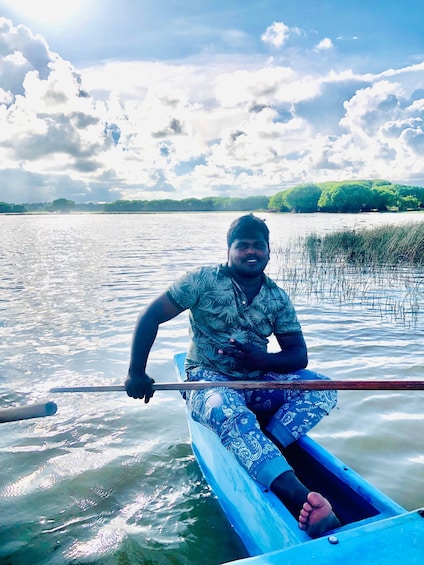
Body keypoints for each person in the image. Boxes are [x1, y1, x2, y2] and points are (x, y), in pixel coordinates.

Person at [125, 213, 340, 538]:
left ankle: (267, 445)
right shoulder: (201, 281)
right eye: (243, 245)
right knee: (228, 409)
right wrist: (136, 372)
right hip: (207, 380)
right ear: (229, 249)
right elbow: (150, 317)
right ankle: (301, 501)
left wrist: (262, 359)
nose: (251, 252)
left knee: (323, 387)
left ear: (269, 251)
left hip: (256, 380)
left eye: (259, 246)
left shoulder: (276, 297)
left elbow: (299, 355)